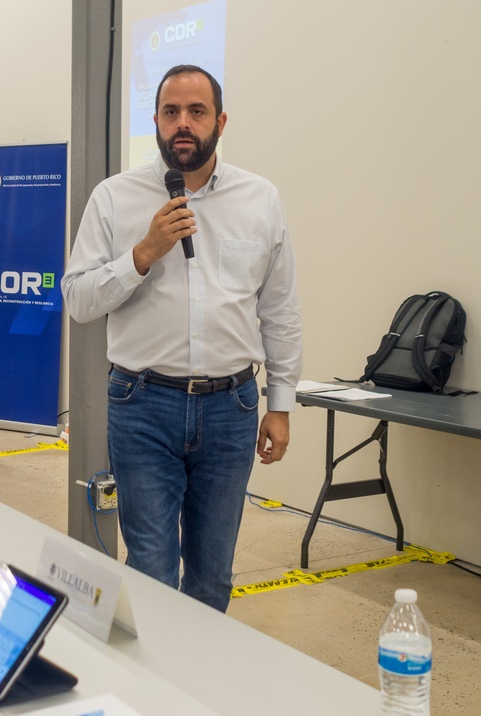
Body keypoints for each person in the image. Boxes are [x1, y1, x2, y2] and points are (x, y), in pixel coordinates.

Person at [61, 65, 302, 612]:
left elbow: (279, 311)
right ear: (155, 122)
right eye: (171, 113)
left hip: (233, 407)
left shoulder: (259, 199)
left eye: (196, 112)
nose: (183, 124)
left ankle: (194, 690)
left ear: (219, 121)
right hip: (142, 404)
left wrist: (281, 404)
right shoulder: (113, 198)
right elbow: (77, 301)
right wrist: (142, 255)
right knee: (150, 570)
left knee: (213, 576)